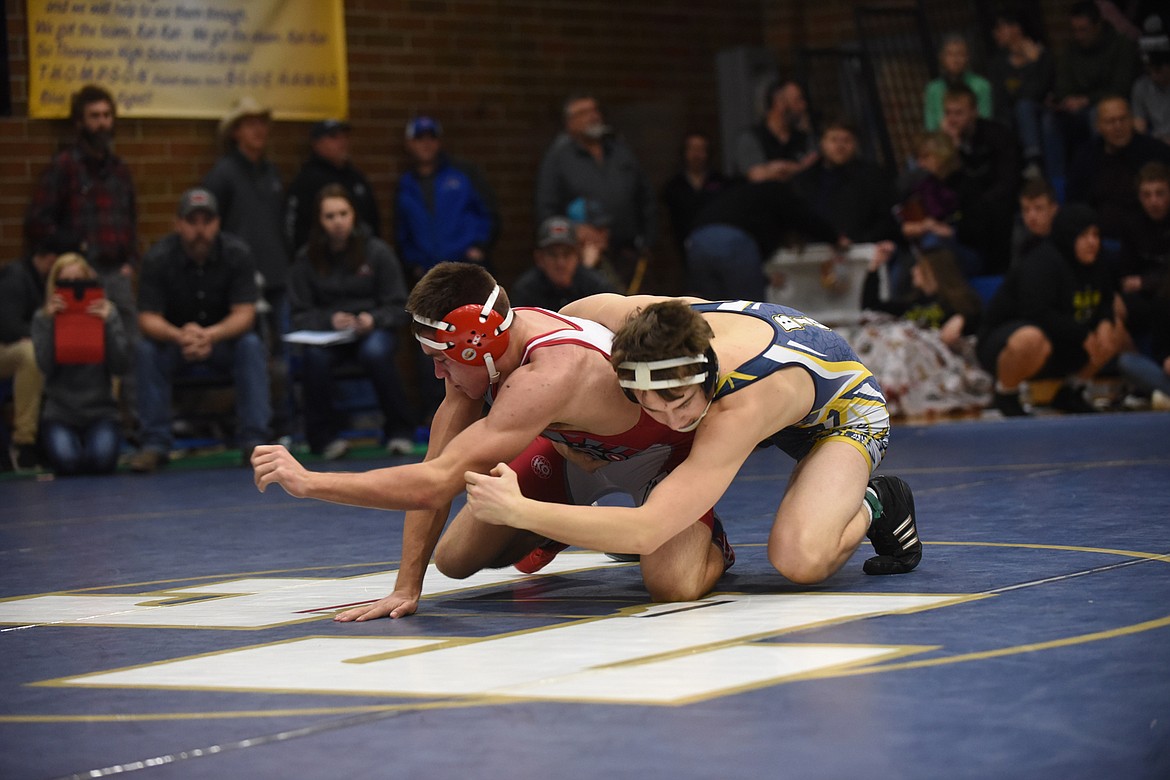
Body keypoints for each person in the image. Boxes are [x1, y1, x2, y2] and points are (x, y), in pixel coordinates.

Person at [252, 262, 734, 619]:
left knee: (673, 585)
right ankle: (560, 525)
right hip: (572, 454)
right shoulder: (482, 356)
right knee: (456, 560)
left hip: (657, 457)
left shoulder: (549, 373)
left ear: (477, 344)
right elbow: (435, 465)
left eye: (442, 357)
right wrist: (406, 587)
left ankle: (710, 542)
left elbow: (430, 484)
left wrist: (312, 483)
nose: (438, 371)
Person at [463, 293, 921, 588]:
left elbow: (647, 529)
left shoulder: (738, 407)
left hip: (839, 414)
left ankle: (876, 500)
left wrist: (519, 510)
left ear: (705, 374)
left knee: (800, 559)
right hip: (769, 369)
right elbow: (564, 320)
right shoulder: (643, 321)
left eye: (679, 401)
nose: (669, 417)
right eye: (648, 402)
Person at [130, 189, 271, 472]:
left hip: (222, 342)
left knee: (251, 345)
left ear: (218, 223)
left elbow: (245, 314)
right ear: (178, 224)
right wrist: (180, 335)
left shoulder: (237, 253)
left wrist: (211, 335)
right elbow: (147, 318)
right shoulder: (158, 258)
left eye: (206, 221)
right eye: (192, 221)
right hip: (175, 343)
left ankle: (254, 442)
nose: (200, 229)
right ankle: (154, 444)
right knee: (146, 350)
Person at [288, 184, 415, 459]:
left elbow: (399, 305)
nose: (337, 222)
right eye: (330, 216)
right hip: (328, 336)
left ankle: (399, 431)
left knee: (376, 352)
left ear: (354, 215)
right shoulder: (306, 258)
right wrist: (328, 320)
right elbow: (299, 313)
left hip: (371, 330)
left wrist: (373, 318)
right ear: (320, 221)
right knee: (314, 358)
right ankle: (324, 439)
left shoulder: (377, 252)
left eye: (343, 213)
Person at [976, 204, 1121, 417]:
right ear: (1069, 236)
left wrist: (1106, 322)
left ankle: (1072, 390)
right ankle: (1005, 395)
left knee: (1115, 332)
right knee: (1031, 338)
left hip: (1061, 342)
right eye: (1083, 235)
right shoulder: (1041, 262)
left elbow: (1106, 299)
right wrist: (1082, 335)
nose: (1092, 242)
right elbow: (1036, 313)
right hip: (1004, 343)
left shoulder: (1097, 262)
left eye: (1095, 235)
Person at [534, 93, 656, 287]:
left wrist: (649, 238)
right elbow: (547, 210)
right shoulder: (558, 158)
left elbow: (645, 195)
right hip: (590, 258)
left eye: (595, 110)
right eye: (583, 112)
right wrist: (576, 231)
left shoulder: (619, 150)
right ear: (569, 123)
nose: (593, 116)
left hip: (630, 251)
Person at [854, 248, 991, 417]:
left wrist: (964, 319)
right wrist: (874, 267)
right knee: (874, 333)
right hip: (907, 358)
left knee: (900, 336)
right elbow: (871, 307)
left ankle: (889, 393)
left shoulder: (959, 303)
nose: (913, 271)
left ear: (933, 271)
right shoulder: (913, 303)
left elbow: (980, 322)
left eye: (918, 267)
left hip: (940, 361)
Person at [203, 96, 290, 348]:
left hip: (278, 275)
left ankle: (287, 390)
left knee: (289, 350)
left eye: (262, 123)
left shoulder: (272, 172)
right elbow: (210, 228)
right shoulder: (222, 174)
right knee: (254, 348)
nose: (259, 130)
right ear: (235, 132)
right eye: (251, 124)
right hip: (242, 279)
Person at [30, 253, 129, 475]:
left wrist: (109, 324)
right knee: (67, 464)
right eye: (66, 283)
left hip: (101, 412)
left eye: (79, 281)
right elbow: (45, 366)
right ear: (54, 286)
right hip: (60, 414)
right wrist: (49, 324)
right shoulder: (42, 318)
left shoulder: (107, 313)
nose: (74, 288)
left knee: (102, 462)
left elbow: (120, 365)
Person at [0, 231, 83, 471]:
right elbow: (7, 328)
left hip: (20, 346)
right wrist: (44, 323)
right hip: (7, 348)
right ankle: (23, 441)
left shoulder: (39, 278)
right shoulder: (16, 276)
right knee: (31, 353)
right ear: (51, 259)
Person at [685, 180, 844, 302]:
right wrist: (834, 238)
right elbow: (804, 217)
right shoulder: (779, 192)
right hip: (732, 241)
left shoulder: (746, 198)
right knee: (750, 312)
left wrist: (764, 279)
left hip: (696, 241)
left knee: (715, 311)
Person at [394, 115, 499, 282]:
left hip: (468, 268)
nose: (426, 143)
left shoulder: (463, 173)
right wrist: (412, 264)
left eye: (432, 137)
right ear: (409, 143)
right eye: (420, 138)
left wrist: (480, 246)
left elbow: (489, 212)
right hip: (427, 276)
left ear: (439, 142)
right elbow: (403, 231)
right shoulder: (406, 184)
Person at [1048, 1, 1142, 178]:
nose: (1078, 35)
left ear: (1098, 25)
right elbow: (1062, 85)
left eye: (1083, 29)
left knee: (1098, 115)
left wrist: (1087, 100)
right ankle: (1057, 182)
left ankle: (1101, 172)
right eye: (1074, 30)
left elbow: (1120, 87)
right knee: (1050, 121)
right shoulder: (1071, 50)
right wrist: (1067, 100)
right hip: (1077, 109)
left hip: (1110, 104)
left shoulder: (1121, 45)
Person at [1066, 95, 1170, 243]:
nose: (1118, 126)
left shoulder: (1157, 152)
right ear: (1098, 126)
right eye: (1110, 121)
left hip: (1150, 239)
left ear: (1132, 120)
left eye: (1123, 119)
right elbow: (1074, 204)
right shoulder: (1086, 157)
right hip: (1097, 242)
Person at [940, 84, 1020, 274]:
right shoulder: (947, 142)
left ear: (974, 112)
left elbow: (1007, 181)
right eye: (948, 113)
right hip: (967, 212)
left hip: (996, 207)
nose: (953, 120)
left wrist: (960, 153)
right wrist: (950, 151)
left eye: (959, 113)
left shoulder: (997, 135)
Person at [793, 119, 899, 245]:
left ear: (856, 144)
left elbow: (886, 218)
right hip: (816, 252)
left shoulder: (872, 177)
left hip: (862, 250)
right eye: (834, 140)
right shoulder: (805, 180)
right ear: (822, 143)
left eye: (846, 140)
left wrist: (858, 241)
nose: (840, 146)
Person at [285, 119, 382, 254]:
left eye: (345, 137)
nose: (342, 142)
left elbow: (373, 222)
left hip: (360, 261)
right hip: (320, 264)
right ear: (316, 143)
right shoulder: (305, 182)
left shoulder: (357, 179)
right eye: (334, 137)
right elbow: (293, 230)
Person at [987, 11, 1056, 175]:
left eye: (1000, 28)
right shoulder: (998, 63)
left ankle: (1034, 160)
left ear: (1016, 29)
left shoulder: (1042, 56)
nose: (995, 33)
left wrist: (1032, 63)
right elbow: (1000, 98)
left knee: (1027, 108)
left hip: (1039, 112)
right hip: (1010, 116)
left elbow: (1037, 92)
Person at [1116, 161, 1170, 352]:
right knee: (1112, 306)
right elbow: (1125, 272)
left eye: (1160, 193)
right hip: (1144, 298)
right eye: (1146, 195)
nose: (1153, 201)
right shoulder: (1131, 223)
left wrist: (1145, 282)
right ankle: (1136, 366)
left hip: (1164, 293)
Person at [510, 216, 617, 311]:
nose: (560, 263)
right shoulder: (526, 291)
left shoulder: (596, 287)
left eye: (567, 254)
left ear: (578, 256)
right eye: (553, 255)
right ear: (539, 258)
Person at [660, 132, 733, 261]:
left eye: (701, 149)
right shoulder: (674, 186)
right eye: (692, 149)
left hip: (717, 246)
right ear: (685, 153)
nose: (696, 155)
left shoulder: (720, 182)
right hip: (685, 250)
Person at [733, 78, 819, 183]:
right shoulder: (752, 137)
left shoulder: (804, 138)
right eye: (797, 100)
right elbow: (758, 176)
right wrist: (801, 168)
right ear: (779, 102)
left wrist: (780, 168)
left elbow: (815, 169)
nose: (803, 106)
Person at [924, 35, 994, 131]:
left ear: (968, 57)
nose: (955, 60)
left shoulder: (981, 86)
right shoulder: (933, 89)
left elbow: (985, 120)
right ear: (941, 58)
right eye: (950, 54)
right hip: (943, 140)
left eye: (960, 54)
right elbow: (930, 126)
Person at [1132, 51, 1170, 144]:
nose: (1154, 76)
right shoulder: (1141, 86)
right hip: (1155, 139)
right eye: (1150, 72)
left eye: (1158, 70)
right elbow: (1139, 123)